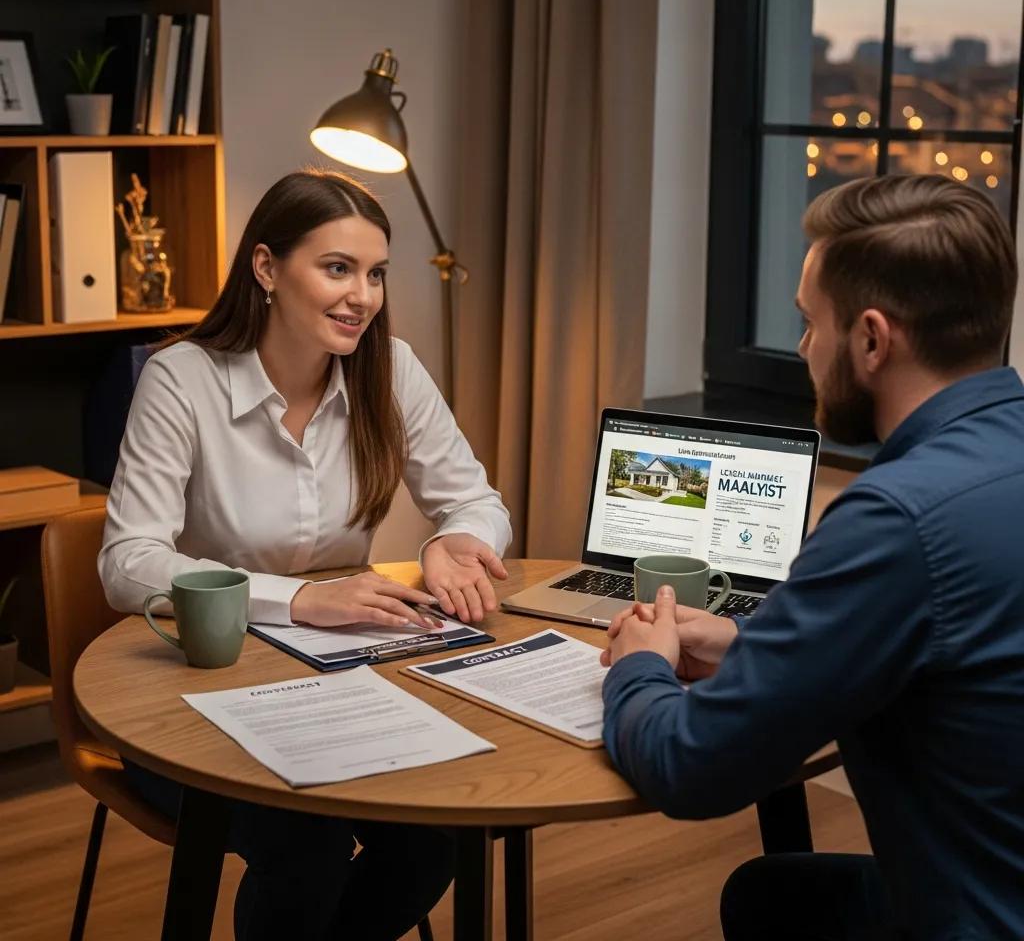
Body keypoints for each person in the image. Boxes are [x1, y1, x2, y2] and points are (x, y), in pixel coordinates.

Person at [599, 174, 1024, 941]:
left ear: (869, 338)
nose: (801, 349)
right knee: (778, 896)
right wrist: (747, 644)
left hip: (974, 914)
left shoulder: (892, 519)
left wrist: (641, 664)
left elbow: (692, 770)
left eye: (807, 324)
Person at [99, 169, 513, 940]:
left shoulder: (393, 370)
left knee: (438, 837)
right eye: (337, 268)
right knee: (307, 846)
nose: (363, 295)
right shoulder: (180, 379)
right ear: (265, 268)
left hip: (338, 686)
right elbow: (128, 563)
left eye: (376, 273)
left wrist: (457, 541)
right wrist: (294, 599)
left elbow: (475, 501)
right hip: (188, 697)